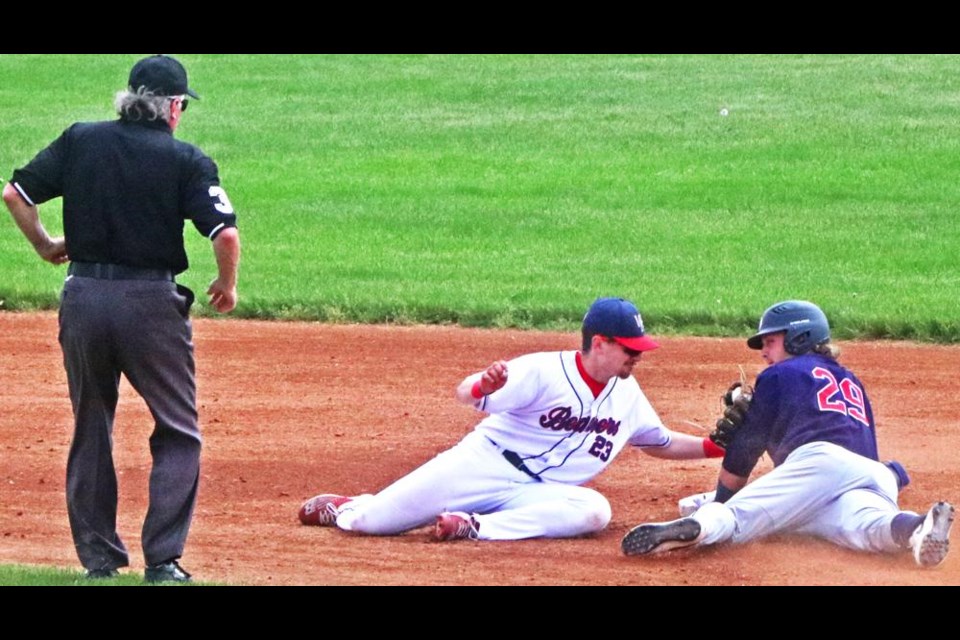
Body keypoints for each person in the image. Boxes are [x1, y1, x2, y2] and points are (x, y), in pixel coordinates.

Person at [3, 54, 241, 582]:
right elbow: (224, 233)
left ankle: (99, 561)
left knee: (92, 425)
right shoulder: (186, 159)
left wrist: (45, 245)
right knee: (178, 430)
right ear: (173, 107)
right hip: (150, 306)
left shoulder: (81, 139)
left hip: (83, 297)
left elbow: (14, 194)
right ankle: (162, 561)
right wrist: (226, 284)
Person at [298, 296, 729, 541]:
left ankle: (474, 527)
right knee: (374, 525)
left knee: (594, 510)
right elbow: (464, 394)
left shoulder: (627, 394)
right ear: (600, 344)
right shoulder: (542, 371)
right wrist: (483, 387)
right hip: (482, 465)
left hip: (538, 493)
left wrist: (714, 448)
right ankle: (349, 507)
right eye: (630, 348)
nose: (638, 356)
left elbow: (660, 442)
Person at [620, 300, 954, 568]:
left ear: (799, 338)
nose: (764, 352)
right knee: (868, 528)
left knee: (739, 518)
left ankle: (699, 527)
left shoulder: (780, 375)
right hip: (875, 476)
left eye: (770, 341)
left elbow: (745, 450)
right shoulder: (851, 380)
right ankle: (915, 528)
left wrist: (723, 499)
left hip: (820, 466)